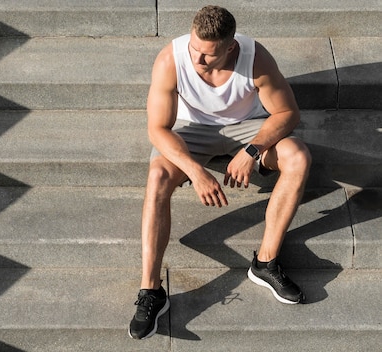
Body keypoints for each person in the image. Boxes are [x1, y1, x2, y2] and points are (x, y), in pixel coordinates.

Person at [128, 5, 312, 340]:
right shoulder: (172, 59)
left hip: (248, 128)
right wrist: (195, 172)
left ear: (231, 47)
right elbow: (157, 129)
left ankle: (265, 263)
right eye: (195, 49)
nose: (197, 60)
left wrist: (252, 151)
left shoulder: (255, 58)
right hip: (190, 130)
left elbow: (287, 113)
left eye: (208, 55)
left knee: (298, 156)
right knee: (156, 177)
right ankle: (151, 291)